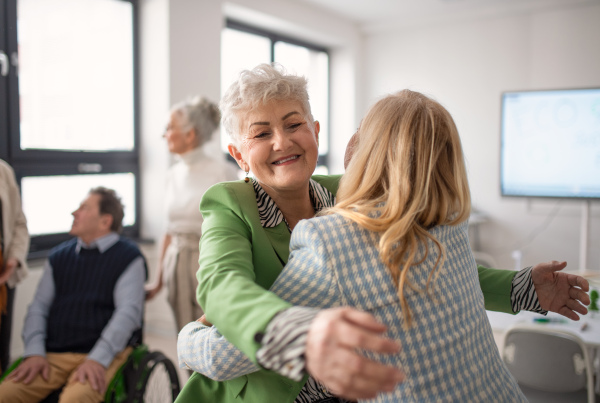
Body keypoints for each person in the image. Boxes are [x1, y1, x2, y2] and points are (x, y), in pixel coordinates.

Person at [175, 64, 590, 403]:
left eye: (293, 124)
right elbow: (221, 286)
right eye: (261, 133)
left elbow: (425, 261)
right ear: (239, 155)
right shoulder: (229, 203)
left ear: (317, 132)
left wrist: (521, 289)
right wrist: (193, 338)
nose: (282, 141)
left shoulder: (349, 192)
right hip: (275, 389)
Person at [0, 187, 146, 403]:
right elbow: (38, 307)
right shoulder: (59, 256)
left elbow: (128, 313)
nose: (74, 213)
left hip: (104, 353)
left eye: (84, 208)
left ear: (105, 221)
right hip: (54, 354)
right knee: (5, 394)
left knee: (74, 399)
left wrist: (97, 359)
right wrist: (34, 351)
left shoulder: (129, 257)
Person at [145, 96, 239, 332]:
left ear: (190, 134)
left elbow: (238, 228)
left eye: (169, 128)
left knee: (213, 332)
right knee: (184, 333)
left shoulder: (222, 172)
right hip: (174, 264)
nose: (164, 134)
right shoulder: (172, 175)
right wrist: (157, 281)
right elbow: (168, 229)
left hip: (209, 260)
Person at [0, 159, 30, 374]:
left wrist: (13, 259)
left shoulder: (3, 171)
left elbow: (19, 222)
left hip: (3, 269)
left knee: (2, 344)